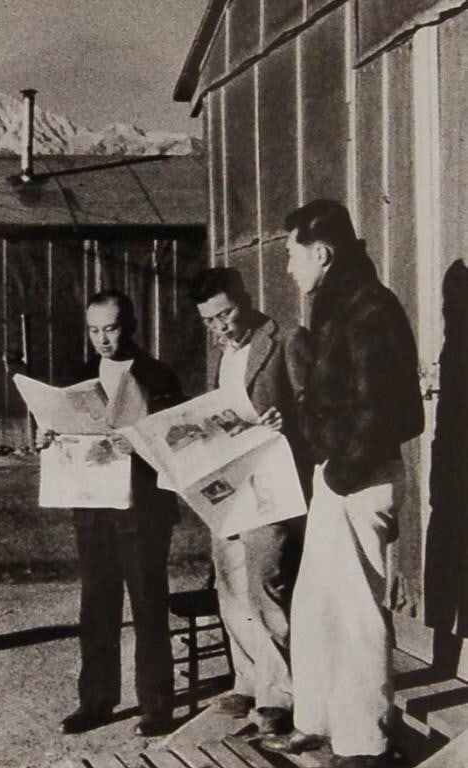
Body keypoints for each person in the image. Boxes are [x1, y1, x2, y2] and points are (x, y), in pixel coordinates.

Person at [262, 199, 424, 767]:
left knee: (354, 610)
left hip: (358, 475)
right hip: (339, 475)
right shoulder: (341, 307)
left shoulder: (368, 310)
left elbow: (388, 411)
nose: (287, 268)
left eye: (291, 256)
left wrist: (340, 469)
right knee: (316, 605)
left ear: (322, 254)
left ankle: (364, 744)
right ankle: (318, 722)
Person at [57, 290, 183, 738]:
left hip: (141, 510)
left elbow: (179, 441)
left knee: (149, 607)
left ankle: (156, 707)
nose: (102, 340)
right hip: (92, 509)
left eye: (110, 329)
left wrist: (144, 445)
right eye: (94, 330)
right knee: (96, 608)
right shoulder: (78, 377)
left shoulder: (157, 376)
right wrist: (49, 440)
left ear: (129, 327)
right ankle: (96, 701)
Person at [191, 267, 311, 737]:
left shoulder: (285, 340)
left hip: (272, 486)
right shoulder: (220, 353)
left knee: (267, 584)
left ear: (246, 298)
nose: (220, 327)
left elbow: (314, 406)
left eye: (226, 314)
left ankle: (282, 695)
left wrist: (290, 420)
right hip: (230, 485)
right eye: (209, 321)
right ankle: (248, 680)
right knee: (231, 585)